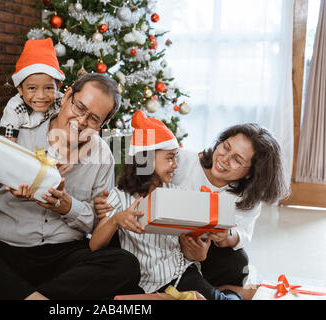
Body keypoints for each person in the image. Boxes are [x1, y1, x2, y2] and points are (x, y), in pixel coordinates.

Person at [0, 73, 142, 300]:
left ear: (103, 124)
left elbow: (99, 227)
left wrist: (68, 207)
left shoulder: (102, 155)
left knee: (126, 265)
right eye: (80, 107)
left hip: (64, 256)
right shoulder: (15, 136)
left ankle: (22, 295)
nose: (82, 121)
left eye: (93, 119)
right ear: (66, 97)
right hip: (8, 251)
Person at [95, 122, 289, 300]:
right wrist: (110, 201)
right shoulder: (181, 161)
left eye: (237, 160)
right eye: (225, 147)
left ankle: (229, 292)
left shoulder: (247, 196)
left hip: (200, 252)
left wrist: (224, 237)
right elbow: (143, 165)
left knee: (237, 260)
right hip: (162, 248)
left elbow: (243, 233)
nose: (224, 158)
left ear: (250, 173)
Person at [0, 38, 64, 142]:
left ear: (58, 87)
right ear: (20, 89)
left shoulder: (62, 101)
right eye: (32, 88)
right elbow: (6, 143)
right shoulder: (15, 108)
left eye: (49, 88)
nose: (41, 96)